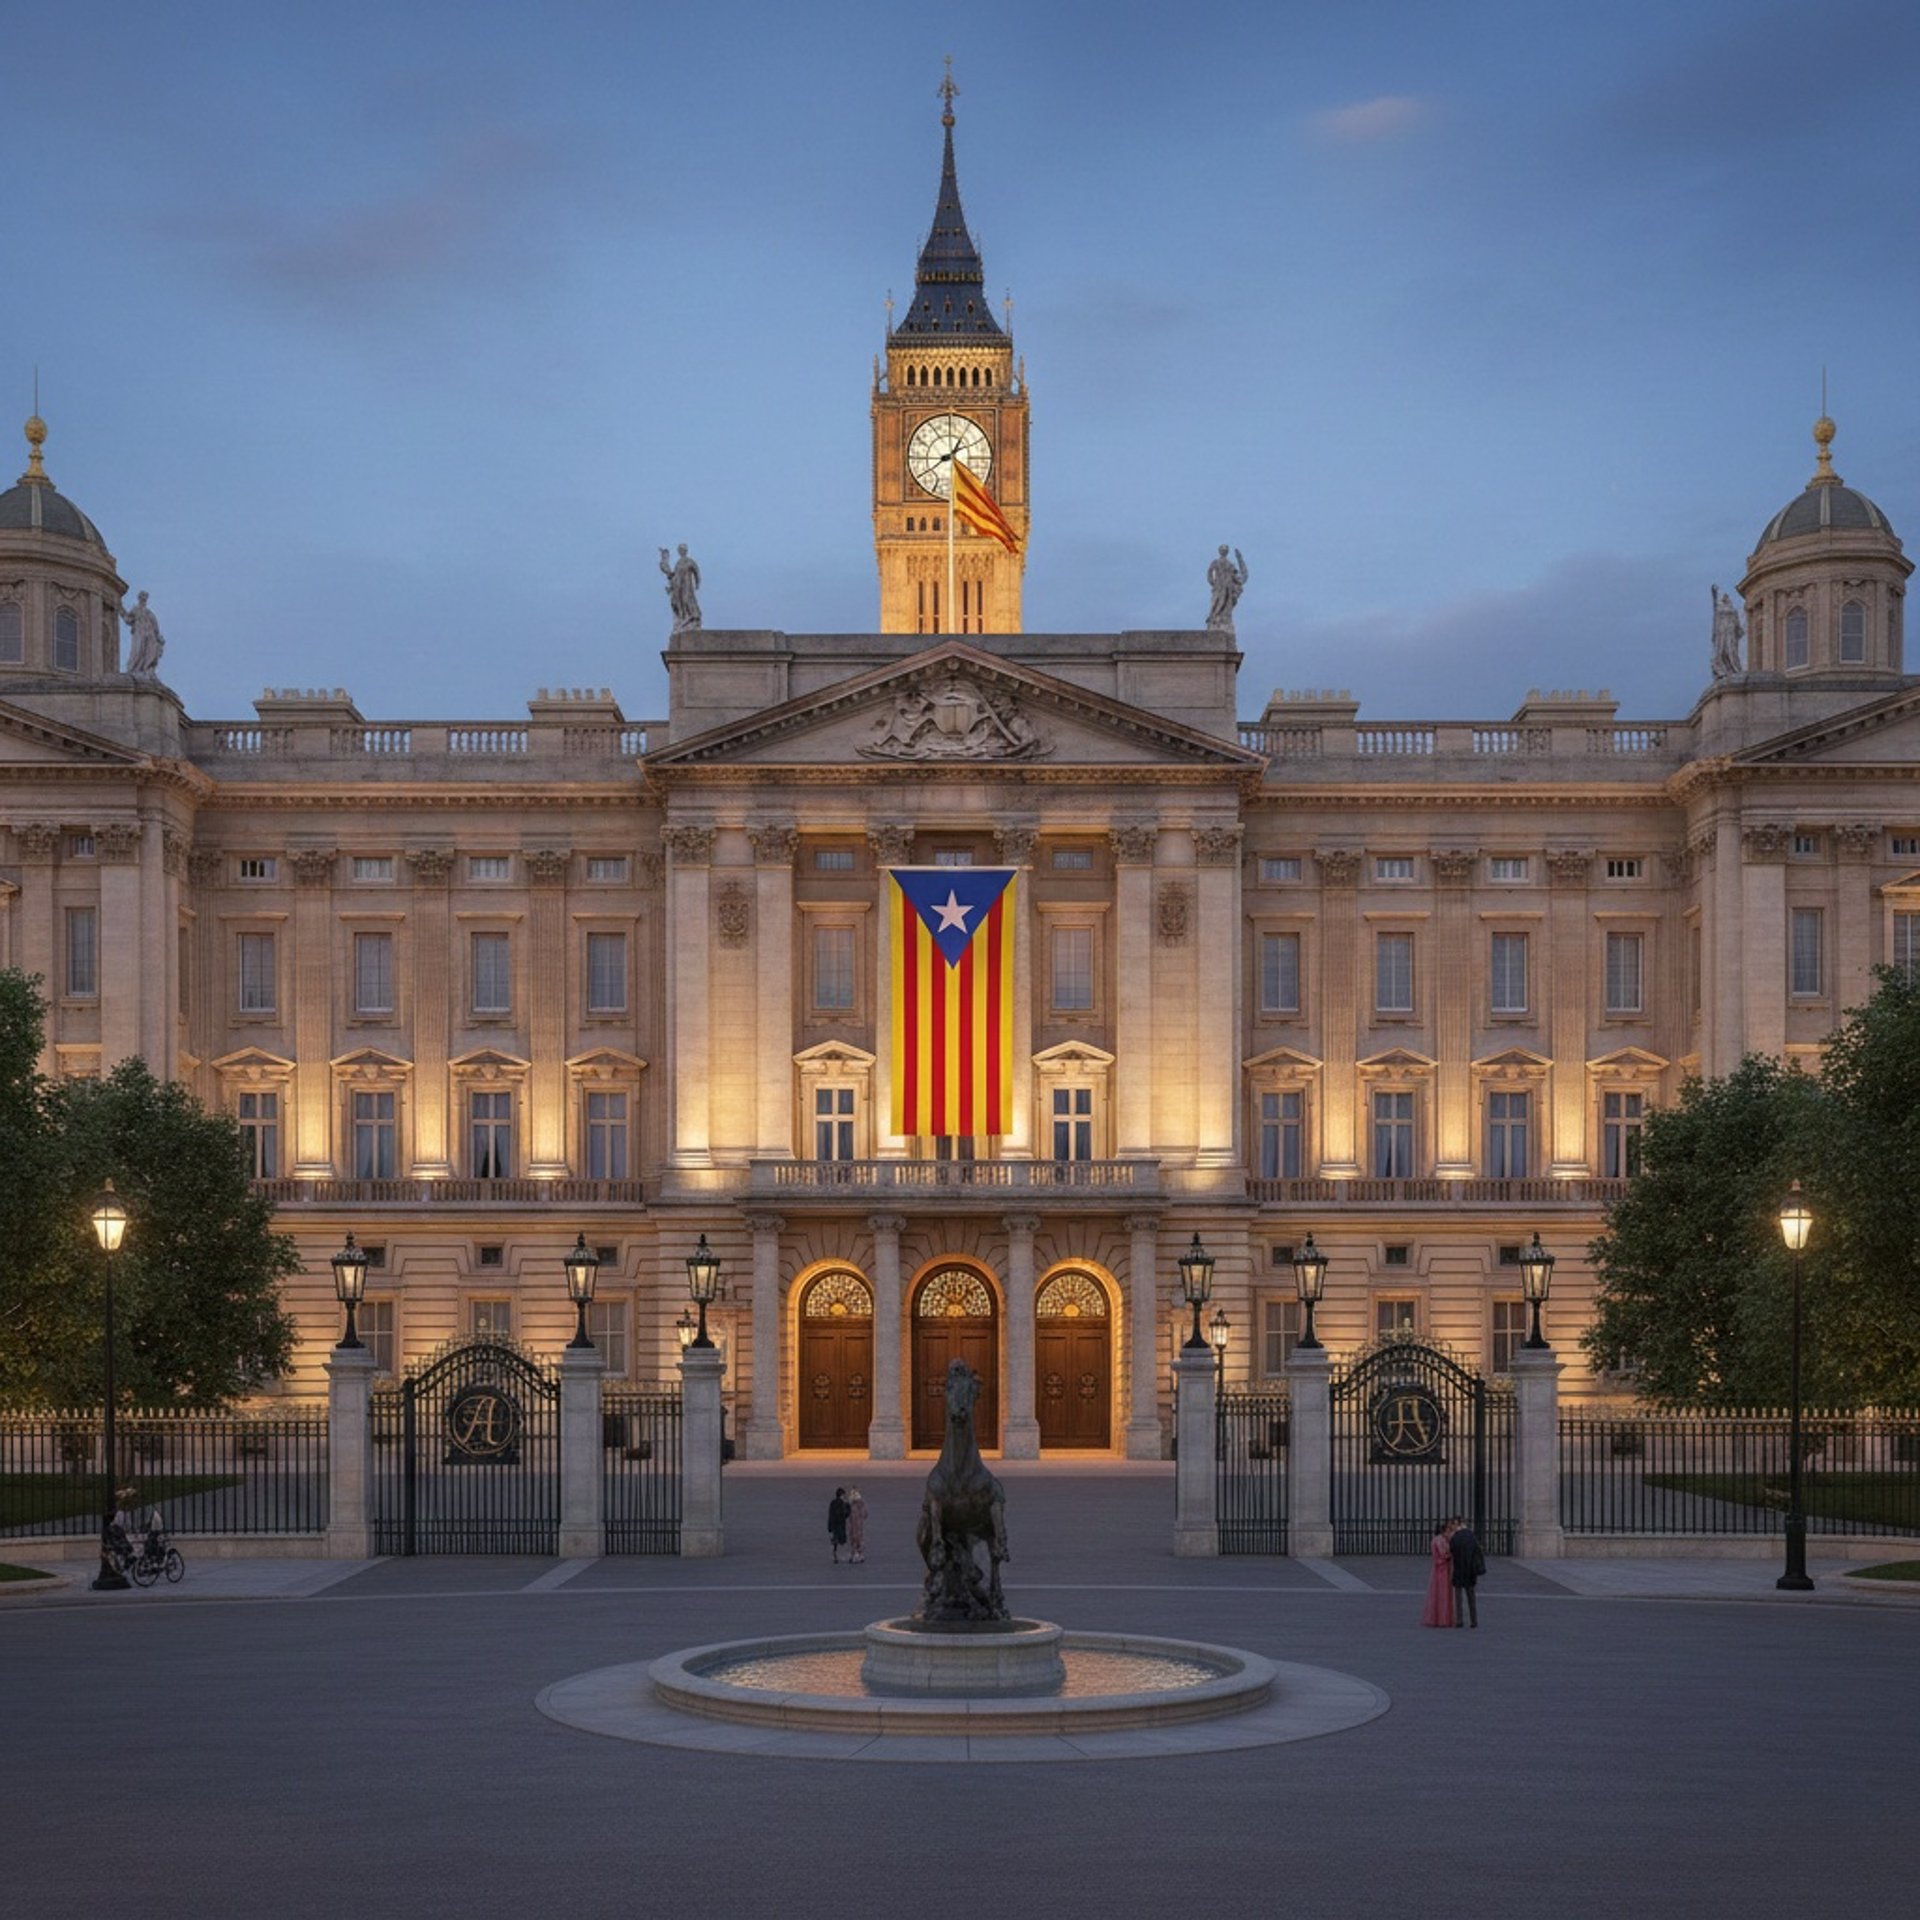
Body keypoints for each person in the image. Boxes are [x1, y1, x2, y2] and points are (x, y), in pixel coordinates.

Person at [1448, 1513, 1486, 1628]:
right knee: (1471, 1597)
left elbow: (1452, 1552)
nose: (1451, 1527)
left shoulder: (1455, 1537)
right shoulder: (1471, 1535)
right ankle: (1474, 1620)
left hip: (1459, 1569)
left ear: (1457, 1524)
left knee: (1458, 1597)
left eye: (1452, 1524)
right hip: (1470, 1570)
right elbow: (1478, 1551)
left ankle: (1460, 1620)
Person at [1421, 1519, 1455, 1628]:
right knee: (1442, 1594)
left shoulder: (1437, 1539)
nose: (1450, 1534)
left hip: (1439, 1569)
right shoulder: (1440, 1541)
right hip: (1442, 1569)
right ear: (1444, 1531)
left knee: (1439, 1594)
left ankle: (1438, 1617)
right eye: (1449, 1531)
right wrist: (1451, 1553)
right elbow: (1443, 1554)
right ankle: (1442, 1619)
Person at [827, 1486, 851, 1565]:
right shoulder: (842, 1504)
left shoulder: (832, 1503)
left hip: (833, 1525)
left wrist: (829, 1526)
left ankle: (835, 1555)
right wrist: (848, 1505)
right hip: (840, 1525)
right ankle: (848, 1556)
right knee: (843, 1541)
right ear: (842, 1495)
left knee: (835, 1541)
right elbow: (845, 1514)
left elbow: (830, 1514)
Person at [846, 1486, 868, 1565]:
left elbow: (846, 1514)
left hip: (854, 1525)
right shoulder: (861, 1504)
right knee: (859, 1538)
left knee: (854, 1539)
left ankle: (855, 1555)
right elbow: (865, 1515)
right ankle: (859, 1555)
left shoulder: (851, 1504)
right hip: (858, 1525)